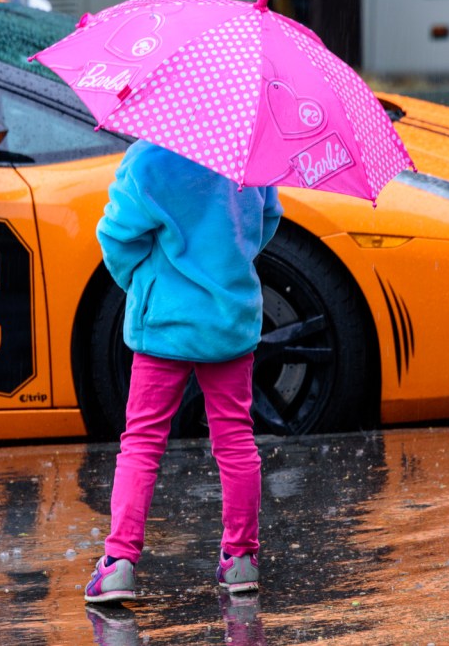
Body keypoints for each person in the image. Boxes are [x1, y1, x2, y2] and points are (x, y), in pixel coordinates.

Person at [83, 139, 282, 603]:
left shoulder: (150, 156)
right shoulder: (251, 153)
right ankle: (241, 560)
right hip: (229, 321)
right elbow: (267, 221)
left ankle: (119, 564)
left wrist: (142, 280)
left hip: (163, 326)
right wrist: (227, 265)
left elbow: (116, 234)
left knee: (142, 441)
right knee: (235, 439)